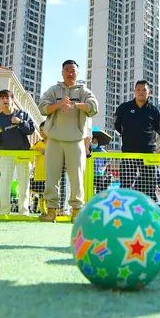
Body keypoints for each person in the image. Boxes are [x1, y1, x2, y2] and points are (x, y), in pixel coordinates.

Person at [37, 59, 98, 221]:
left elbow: (93, 107)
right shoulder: (53, 90)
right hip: (54, 140)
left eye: (73, 70)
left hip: (76, 140)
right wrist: (58, 105)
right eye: (67, 70)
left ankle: (77, 212)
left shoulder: (84, 90)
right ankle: (51, 212)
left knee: (77, 177)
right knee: (52, 176)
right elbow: (42, 107)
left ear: (77, 73)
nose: (71, 73)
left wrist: (75, 105)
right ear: (62, 72)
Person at [113, 80, 160, 199]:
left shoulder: (154, 111)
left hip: (149, 152)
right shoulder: (124, 108)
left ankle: (146, 211)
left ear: (149, 92)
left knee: (148, 183)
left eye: (144, 90)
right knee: (126, 182)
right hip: (128, 151)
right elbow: (117, 126)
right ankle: (125, 210)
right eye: (138, 89)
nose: (141, 92)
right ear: (134, 91)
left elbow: (158, 129)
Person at [0, 89, 36, 215]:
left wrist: (20, 122)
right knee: (5, 182)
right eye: (2, 98)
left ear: (13, 100)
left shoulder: (22, 114)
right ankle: (4, 211)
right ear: (0, 102)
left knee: (24, 183)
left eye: (7, 98)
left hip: (23, 153)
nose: (5, 100)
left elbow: (31, 130)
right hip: (6, 153)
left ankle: (24, 212)